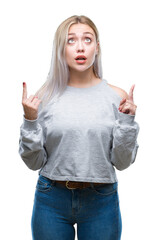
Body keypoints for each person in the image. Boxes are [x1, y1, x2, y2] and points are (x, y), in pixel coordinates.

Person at [18, 15, 140, 240]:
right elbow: (33, 162)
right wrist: (30, 120)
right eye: (71, 40)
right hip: (51, 199)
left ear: (97, 47)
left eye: (87, 39)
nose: (80, 47)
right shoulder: (44, 97)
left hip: (101, 201)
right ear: (61, 49)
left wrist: (126, 122)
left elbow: (122, 163)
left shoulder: (117, 97)